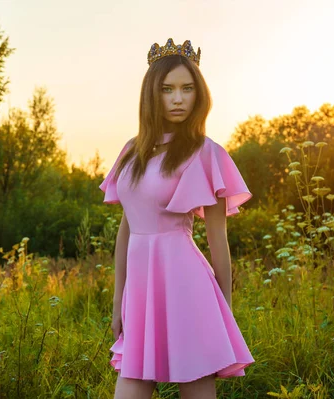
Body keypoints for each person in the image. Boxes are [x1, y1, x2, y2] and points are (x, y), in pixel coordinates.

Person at [99, 38, 255, 399]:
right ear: (151, 95)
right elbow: (127, 228)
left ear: (199, 94)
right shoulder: (131, 151)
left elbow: (218, 237)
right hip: (140, 291)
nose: (178, 98)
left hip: (186, 285)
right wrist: (118, 300)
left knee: (196, 387)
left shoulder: (206, 153)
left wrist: (225, 311)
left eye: (187, 88)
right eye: (167, 89)